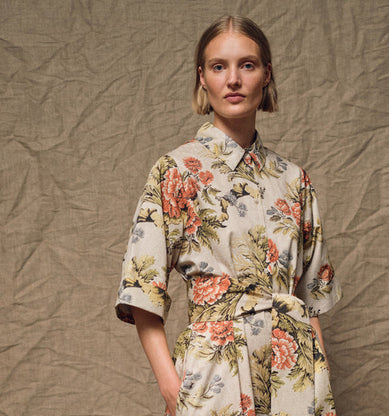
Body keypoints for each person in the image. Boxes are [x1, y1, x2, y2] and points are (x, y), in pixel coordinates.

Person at [116, 15, 342, 416]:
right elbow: (141, 291)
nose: (233, 79)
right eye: (219, 66)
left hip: (294, 375)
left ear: (266, 75)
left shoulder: (294, 181)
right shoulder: (176, 171)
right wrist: (172, 389)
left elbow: (309, 302)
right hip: (213, 377)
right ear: (202, 77)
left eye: (247, 65)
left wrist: (319, 390)